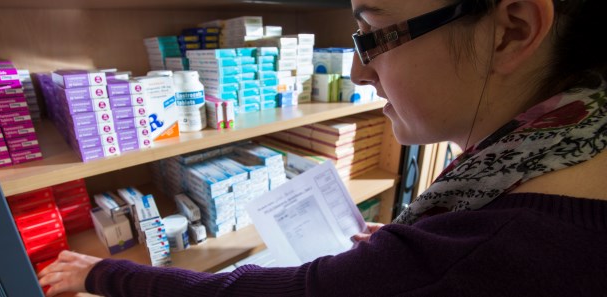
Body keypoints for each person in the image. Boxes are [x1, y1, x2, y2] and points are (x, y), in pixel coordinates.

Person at [38, 0, 607, 295]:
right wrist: (428, 245)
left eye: (373, 33)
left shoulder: (501, 256)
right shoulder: (575, 135)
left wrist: (99, 274)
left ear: (511, 29)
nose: (360, 71)